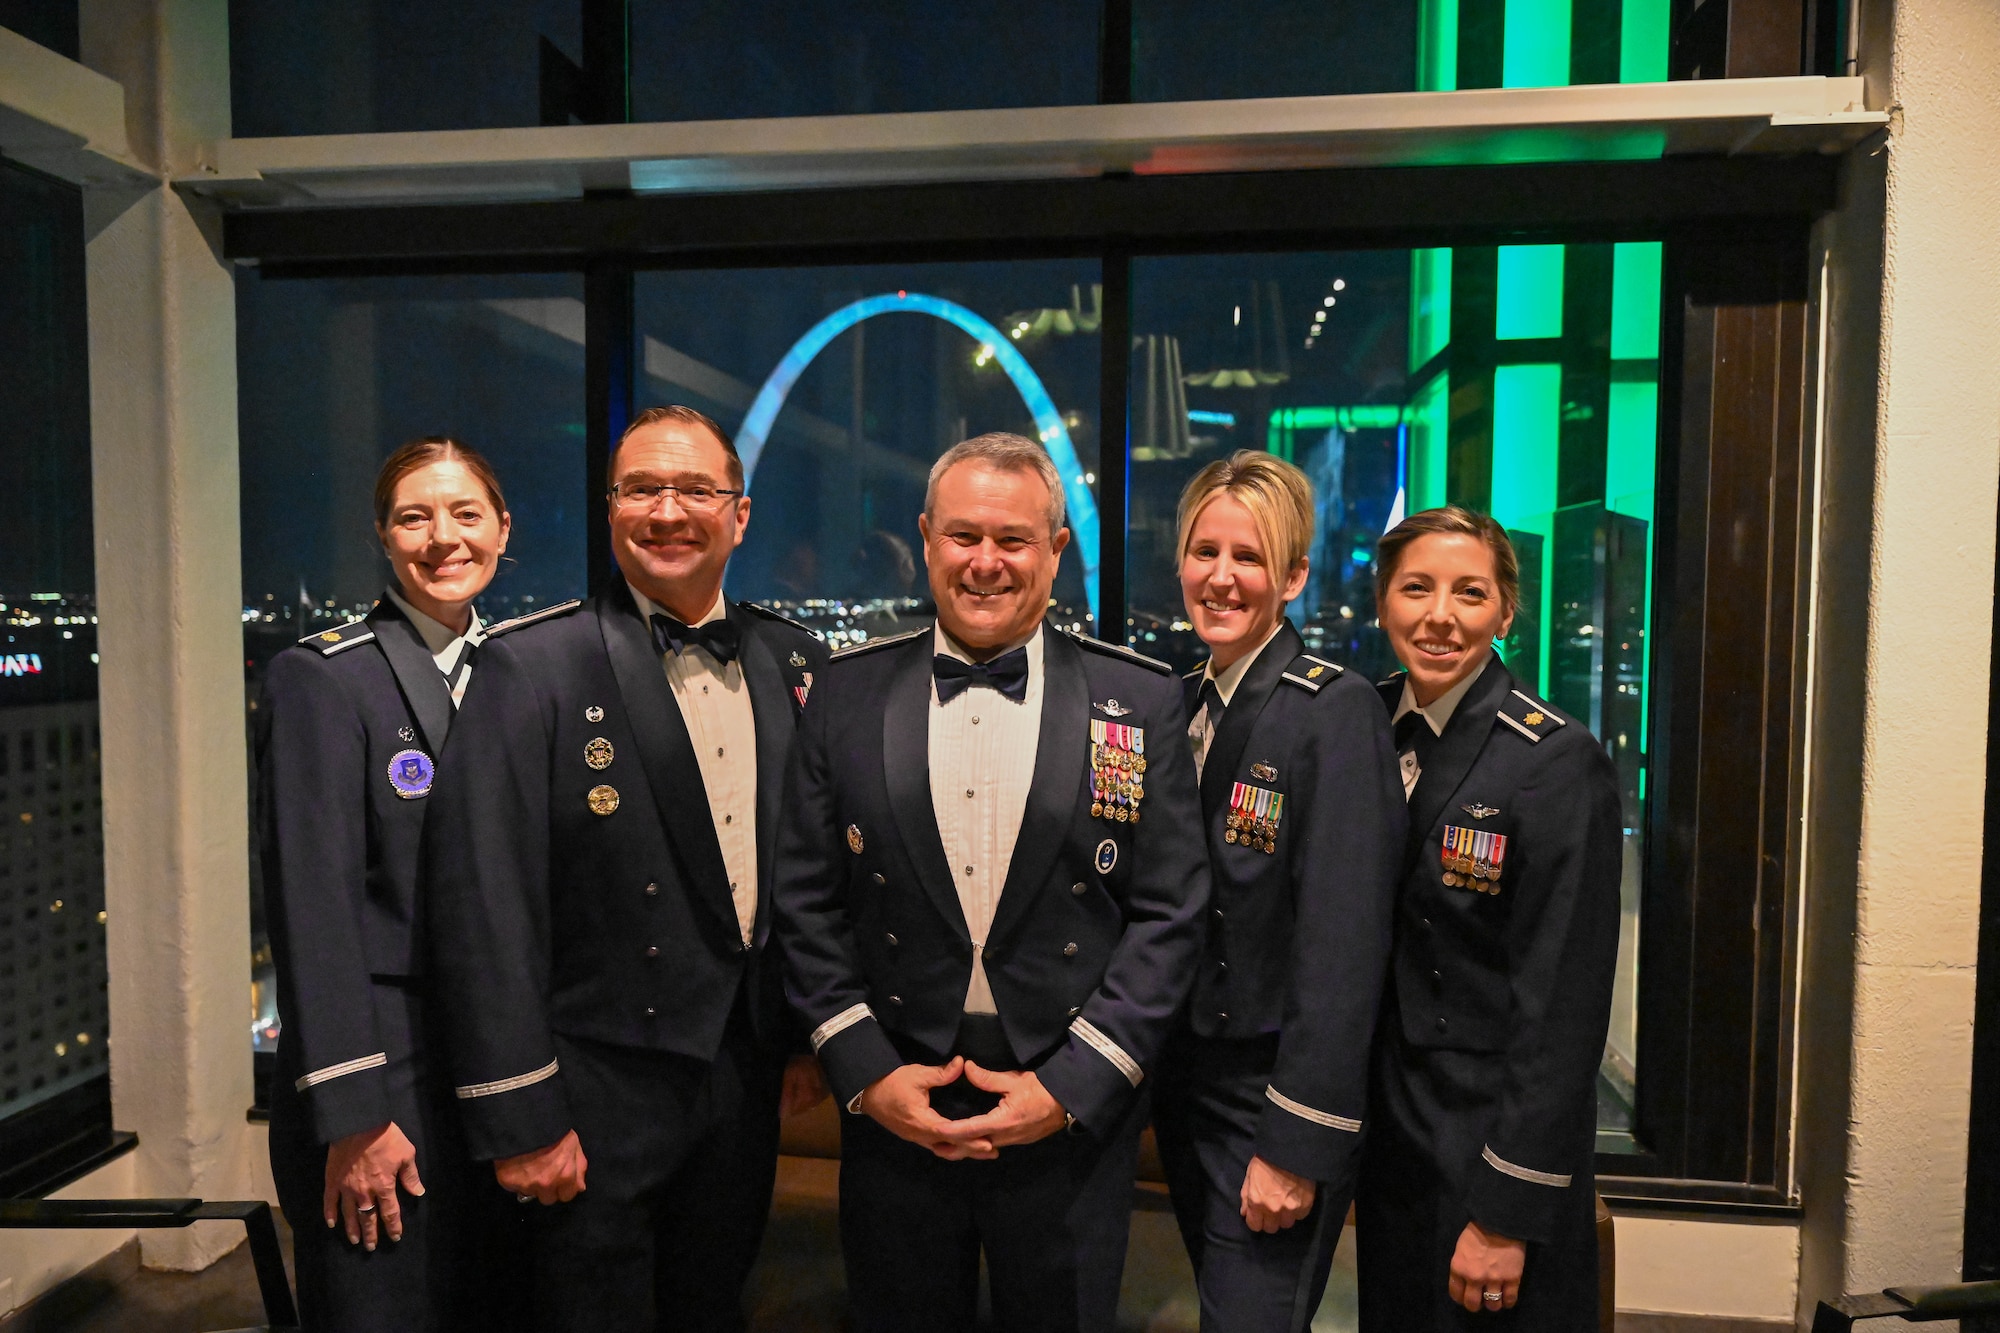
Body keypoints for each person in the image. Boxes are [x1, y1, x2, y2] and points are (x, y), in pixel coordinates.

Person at [773, 431, 1212, 1333]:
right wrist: (866, 1072)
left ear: (1054, 550)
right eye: (964, 536)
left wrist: (1074, 1083)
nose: (985, 563)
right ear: (927, 537)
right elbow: (805, 899)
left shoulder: (1141, 698)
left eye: (1013, 540)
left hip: (1070, 1110)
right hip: (897, 1098)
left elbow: (1171, 912)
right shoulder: (844, 694)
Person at [421, 405, 830, 1332]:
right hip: (590, 1082)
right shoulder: (532, 665)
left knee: (713, 1301)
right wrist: (521, 1115)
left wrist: (802, 1034)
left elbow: (809, 874)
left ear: (741, 512)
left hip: (741, 1074)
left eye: (694, 489)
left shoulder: (794, 658)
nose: (667, 510)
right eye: (642, 488)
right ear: (611, 509)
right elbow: (482, 905)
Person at [257, 436, 525, 1330]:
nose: (443, 537)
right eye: (415, 516)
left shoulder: (529, 675)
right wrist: (352, 1115)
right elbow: (313, 906)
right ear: (383, 536)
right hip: (386, 1067)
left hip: (503, 1064)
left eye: (465, 513)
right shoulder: (326, 680)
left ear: (502, 529)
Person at [1151, 452, 1405, 1331]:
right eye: (1204, 551)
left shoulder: (1332, 711)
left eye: (1250, 558)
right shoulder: (1177, 703)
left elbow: (1346, 945)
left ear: (1294, 575)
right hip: (1184, 1079)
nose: (1221, 578)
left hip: (1268, 1096)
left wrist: (1297, 1142)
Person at [1353, 506, 1622, 1328]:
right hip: (1391, 1139)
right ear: (1382, 604)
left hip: (1487, 1140)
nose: (1440, 615)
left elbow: (1564, 1008)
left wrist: (1506, 1209)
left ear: (1507, 611)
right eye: (1417, 588)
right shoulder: (1357, 724)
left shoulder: (1552, 759)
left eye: (1470, 592)